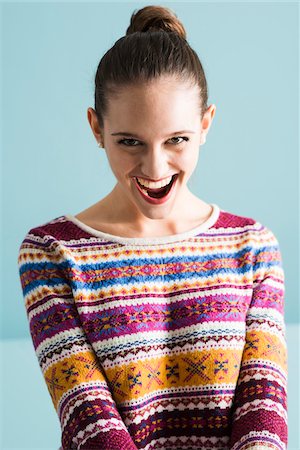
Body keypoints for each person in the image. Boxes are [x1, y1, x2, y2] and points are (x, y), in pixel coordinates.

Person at [17, 5, 288, 450]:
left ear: (205, 125)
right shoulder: (50, 252)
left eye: (176, 139)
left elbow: (264, 408)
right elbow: (88, 418)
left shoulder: (253, 247)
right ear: (96, 128)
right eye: (130, 142)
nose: (155, 166)